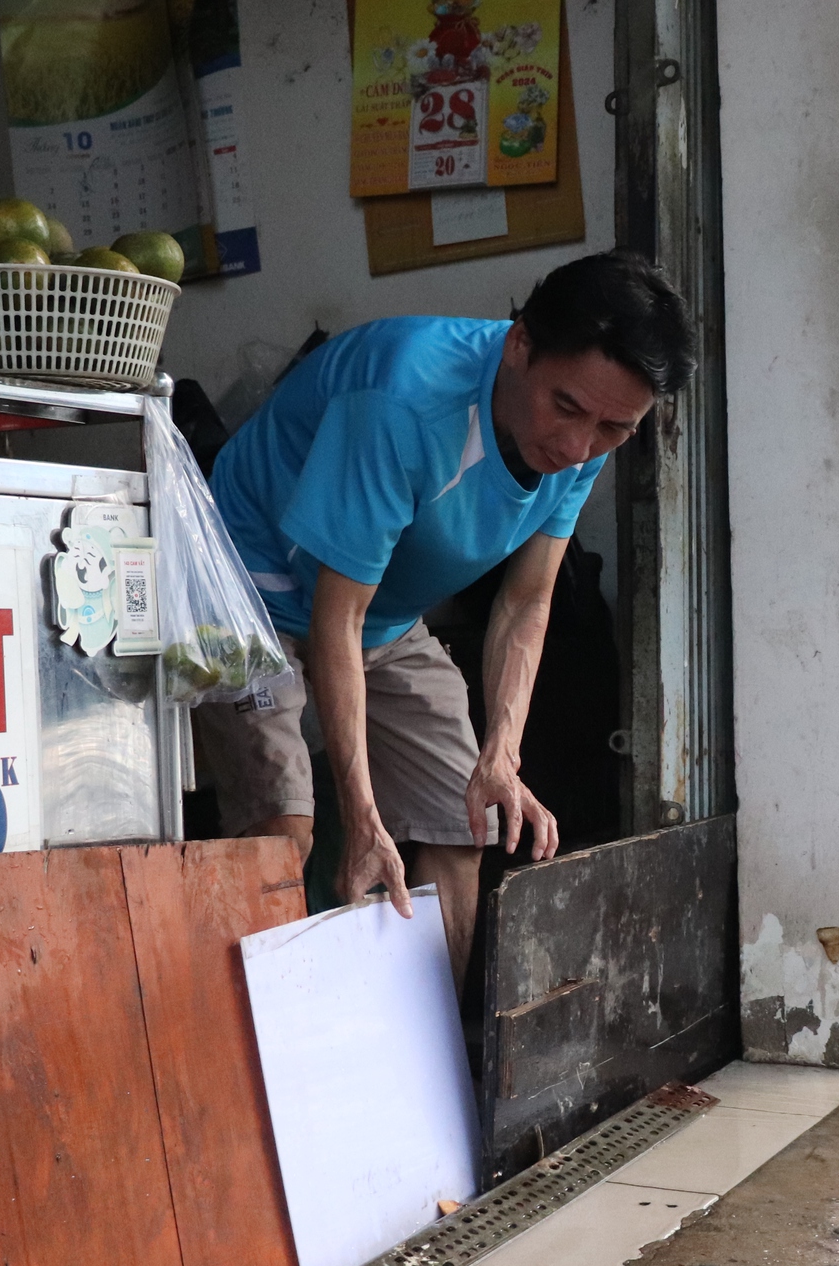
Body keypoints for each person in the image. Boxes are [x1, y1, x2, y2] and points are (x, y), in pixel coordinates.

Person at [201, 250, 694, 982]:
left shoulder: (587, 432)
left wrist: (502, 752)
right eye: (565, 408)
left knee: (461, 822)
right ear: (519, 343)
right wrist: (362, 813)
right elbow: (335, 618)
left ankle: (429, 1068)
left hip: (384, 613)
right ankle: (268, 1075)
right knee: (285, 830)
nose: (576, 446)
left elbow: (527, 601)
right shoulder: (407, 396)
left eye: (613, 429)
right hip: (248, 588)